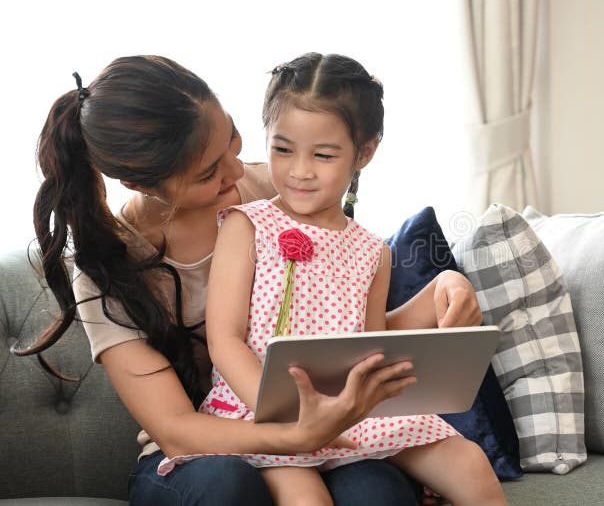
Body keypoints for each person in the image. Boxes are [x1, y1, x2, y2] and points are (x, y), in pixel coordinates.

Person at [14, 54, 484, 506]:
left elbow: (348, 332)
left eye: (234, 142)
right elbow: (177, 429)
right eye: (209, 172)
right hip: (204, 448)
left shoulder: (283, 190)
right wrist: (294, 434)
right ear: (140, 184)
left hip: (313, 423)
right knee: (228, 482)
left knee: (375, 489)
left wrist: (445, 287)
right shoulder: (105, 271)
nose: (238, 172)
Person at [155, 53, 507, 506]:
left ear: (364, 152)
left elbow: (372, 340)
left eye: (322, 155)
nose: (300, 170)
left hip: (351, 411)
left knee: (470, 461)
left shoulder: (371, 250)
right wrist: (284, 416)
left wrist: (447, 286)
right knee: (307, 500)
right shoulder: (247, 224)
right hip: (266, 412)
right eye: (282, 149)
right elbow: (225, 341)